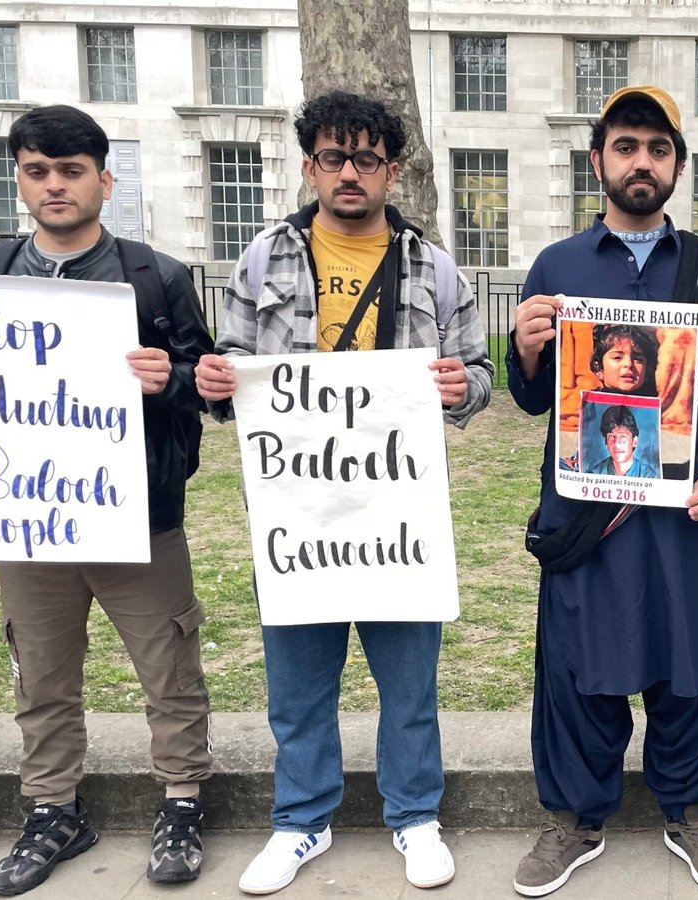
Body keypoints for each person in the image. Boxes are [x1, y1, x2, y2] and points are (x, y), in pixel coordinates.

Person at [0, 105, 216, 895]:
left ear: (104, 179)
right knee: (40, 674)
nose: (55, 185)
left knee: (168, 664)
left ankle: (181, 800)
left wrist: (166, 377)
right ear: (20, 180)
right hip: (27, 517)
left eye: (71, 171)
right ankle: (52, 809)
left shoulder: (154, 275)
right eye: (38, 171)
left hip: (138, 513)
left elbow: (205, 381)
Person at [193, 90, 492, 896]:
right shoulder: (262, 259)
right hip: (296, 514)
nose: (349, 173)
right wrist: (215, 382)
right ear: (310, 166)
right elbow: (229, 369)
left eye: (366, 158)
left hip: (398, 513)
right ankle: (301, 821)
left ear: (393, 170)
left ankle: (414, 815)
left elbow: (479, 375)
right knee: (297, 683)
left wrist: (464, 384)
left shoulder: (435, 266)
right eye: (333, 157)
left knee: (409, 681)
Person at [506, 85, 698, 897]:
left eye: (657, 149)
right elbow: (533, 399)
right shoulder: (558, 267)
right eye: (625, 146)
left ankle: (691, 809)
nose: (640, 162)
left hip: (687, 516)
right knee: (584, 661)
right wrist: (527, 349)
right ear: (598, 161)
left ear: (677, 165)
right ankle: (574, 817)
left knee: (691, 660)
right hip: (591, 514)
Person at [587, 405, 660, 478]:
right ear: (606, 442)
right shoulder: (593, 475)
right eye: (611, 436)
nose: (616, 443)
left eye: (622, 436)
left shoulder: (650, 477)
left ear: (634, 442)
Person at [589, 323, 658, 395]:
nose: (629, 364)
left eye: (637, 359)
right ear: (599, 368)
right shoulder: (586, 405)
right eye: (617, 357)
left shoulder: (659, 404)